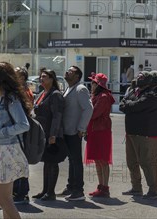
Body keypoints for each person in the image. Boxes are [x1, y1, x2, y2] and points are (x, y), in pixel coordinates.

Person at [0, 61, 31, 219]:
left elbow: (23, 125)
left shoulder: (10, 98)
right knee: (5, 198)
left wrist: (3, 132)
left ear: (0, 77)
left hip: (7, 150)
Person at [119, 71, 157, 199]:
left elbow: (136, 106)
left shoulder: (153, 94)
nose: (138, 79)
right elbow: (123, 104)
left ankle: (154, 189)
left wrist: (129, 105)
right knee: (131, 161)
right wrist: (130, 105)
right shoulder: (134, 91)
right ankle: (136, 187)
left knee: (147, 161)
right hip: (132, 132)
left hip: (146, 133)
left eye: (142, 78)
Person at [31, 68, 66, 201]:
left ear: (52, 79)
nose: (41, 79)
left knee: (52, 162)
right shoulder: (42, 93)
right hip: (42, 133)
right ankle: (45, 190)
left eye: (44, 77)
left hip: (51, 134)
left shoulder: (55, 94)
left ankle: (51, 192)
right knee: (46, 162)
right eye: (40, 76)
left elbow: (57, 116)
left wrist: (54, 135)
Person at [60, 65, 93, 201]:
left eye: (71, 71)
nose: (67, 72)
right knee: (72, 161)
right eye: (68, 70)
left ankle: (78, 190)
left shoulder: (81, 89)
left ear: (77, 76)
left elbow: (88, 109)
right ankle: (71, 186)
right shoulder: (69, 88)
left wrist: (81, 128)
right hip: (67, 131)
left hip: (75, 132)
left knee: (76, 161)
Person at [84, 73, 115, 198]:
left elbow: (94, 113)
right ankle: (101, 186)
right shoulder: (97, 95)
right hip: (95, 130)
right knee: (97, 160)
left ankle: (105, 187)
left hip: (101, 130)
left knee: (103, 160)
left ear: (98, 84)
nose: (91, 85)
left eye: (93, 83)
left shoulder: (103, 96)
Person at [12, 66, 33, 204]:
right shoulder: (17, 90)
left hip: (21, 130)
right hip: (17, 130)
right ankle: (16, 191)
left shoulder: (24, 92)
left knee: (20, 162)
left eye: (16, 75)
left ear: (23, 78)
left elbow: (28, 109)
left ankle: (22, 192)